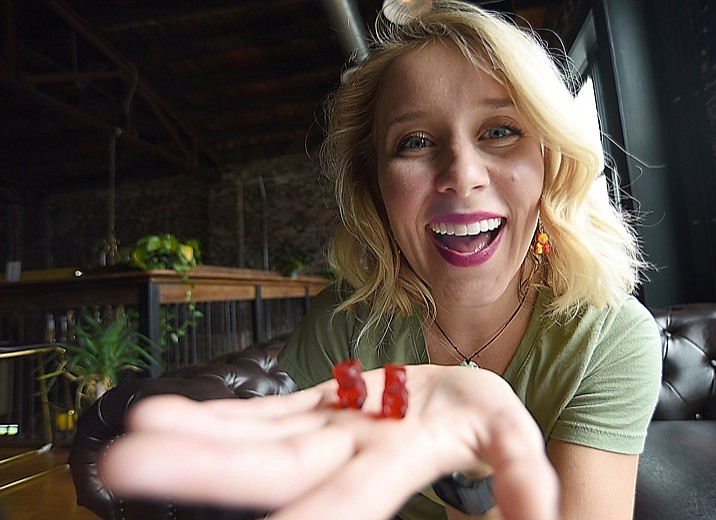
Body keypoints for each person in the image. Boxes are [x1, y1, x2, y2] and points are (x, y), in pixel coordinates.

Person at [99, 1, 661, 519]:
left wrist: (474, 472)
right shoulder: (343, 326)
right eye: (414, 141)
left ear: (551, 164)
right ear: (377, 190)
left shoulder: (609, 341)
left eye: (500, 130)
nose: (463, 174)